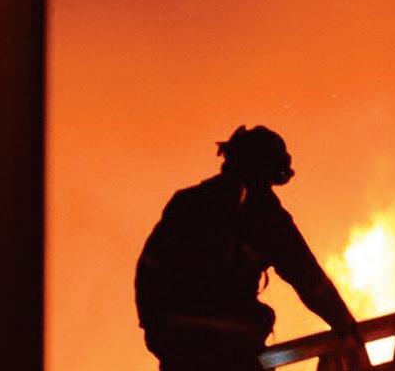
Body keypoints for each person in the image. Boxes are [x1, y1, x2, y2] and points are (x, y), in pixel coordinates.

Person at [135, 125, 369, 370]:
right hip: (227, 346)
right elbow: (307, 277)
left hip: (176, 344)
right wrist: (345, 325)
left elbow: (148, 273)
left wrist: (160, 335)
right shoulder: (263, 214)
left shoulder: (186, 202)